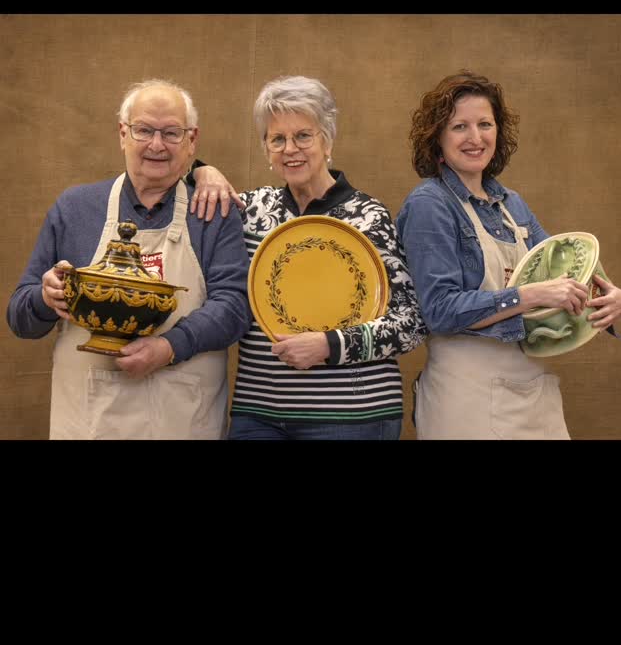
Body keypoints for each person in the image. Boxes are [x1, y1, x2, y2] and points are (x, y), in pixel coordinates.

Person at [7, 78, 252, 440]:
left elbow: (234, 307)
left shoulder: (213, 212)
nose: (156, 144)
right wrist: (44, 298)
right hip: (89, 423)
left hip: (184, 422)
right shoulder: (75, 208)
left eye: (171, 132)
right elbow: (20, 318)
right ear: (123, 134)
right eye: (143, 130)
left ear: (192, 141)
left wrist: (169, 347)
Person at [395, 70, 621, 440]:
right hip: (465, 398)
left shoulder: (512, 205)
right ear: (437, 138)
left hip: (529, 391)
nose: (475, 138)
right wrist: (531, 295)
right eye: (460, 127)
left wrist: (615, 298)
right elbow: (440, 310)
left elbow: (569, 274)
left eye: (485, 124)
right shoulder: (430, 204)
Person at [190, 75, 426, 440]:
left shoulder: (368, 216)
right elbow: (169, 170)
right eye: (277, 139)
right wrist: (203, 170)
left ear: (327, 139)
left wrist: (329, 346)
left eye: (303, 135)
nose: (290, 149)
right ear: (266, 148)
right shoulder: (250, 210)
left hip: (352, 418)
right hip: (259, 415)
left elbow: (411, 324)